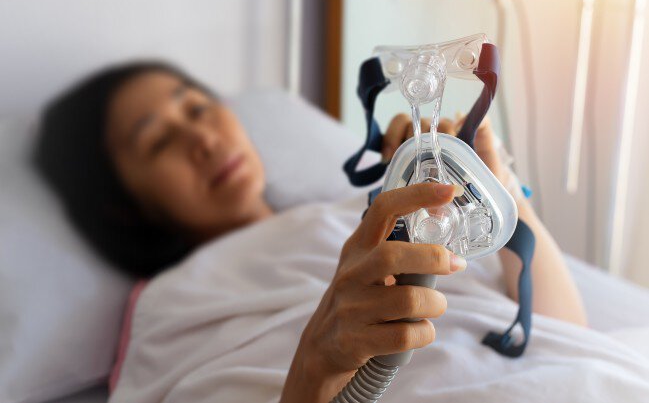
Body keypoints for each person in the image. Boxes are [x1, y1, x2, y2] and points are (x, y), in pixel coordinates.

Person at [34, 61, 587, 403]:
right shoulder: (167, 308)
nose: (202, 139)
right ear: (123, 207)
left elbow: (569, 334)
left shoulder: (370, 210)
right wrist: (316, 371)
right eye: (158, 142)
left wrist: (498, 188)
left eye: (198, 108)